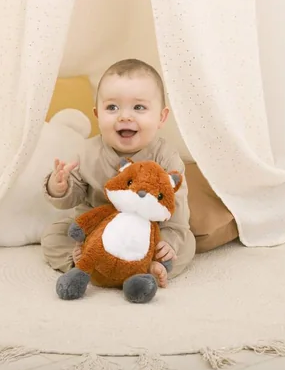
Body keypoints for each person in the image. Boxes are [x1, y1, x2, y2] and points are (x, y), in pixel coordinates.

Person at [41, 58, 195, 289]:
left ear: (161, 117)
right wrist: (59, 187)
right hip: (97, 232)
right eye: (112, 108)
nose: (125, 116)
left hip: (146, 236)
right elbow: (71, 199)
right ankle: (83, 262)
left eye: (139, 107)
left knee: (186, 244)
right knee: (53, 235)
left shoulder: (166, 158)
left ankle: (148, 267)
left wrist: (170, 243)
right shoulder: (87, 152)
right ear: (97, 114)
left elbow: (177, 214)